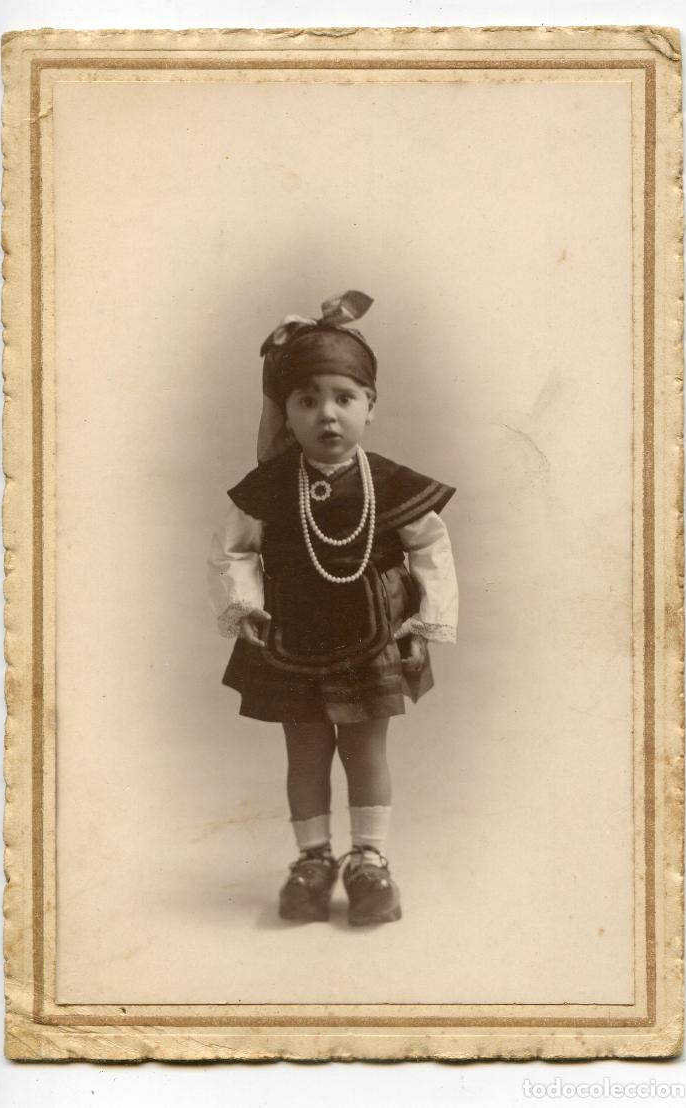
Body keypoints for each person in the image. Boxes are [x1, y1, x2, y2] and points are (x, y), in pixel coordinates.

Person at [208, 290, 458, 925]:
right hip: (291, 633)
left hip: (371, 634)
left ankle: (369, 860)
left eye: (343, 398)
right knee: (307, 750)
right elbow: (234, 550)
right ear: (285, 413)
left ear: (370, 407)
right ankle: (312, 860)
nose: (327, 414)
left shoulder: (391, 483)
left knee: (366, 749)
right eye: (306, 399)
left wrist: (425, 621)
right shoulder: (268, 487)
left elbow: (431, 548)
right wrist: (247, 607)